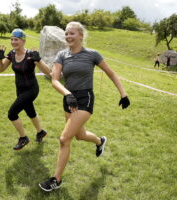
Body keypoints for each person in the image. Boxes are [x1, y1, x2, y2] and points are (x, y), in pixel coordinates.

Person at [39, 22, 130, 192]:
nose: (68, 36)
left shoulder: (92, 55)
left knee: (64, 138)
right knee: (79, 135)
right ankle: (99, 141)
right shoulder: (62, 55)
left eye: (72, 33)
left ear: (81, 35)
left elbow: (111, 73)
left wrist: (123, 94)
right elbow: (55, 80)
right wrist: (67, 94)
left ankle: (56, 180)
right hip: (69, 98)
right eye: (66, 33)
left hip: (85, 99)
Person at [0, 28, 51, 150]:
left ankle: (23, 138)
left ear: (23, 41)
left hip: (31, 90)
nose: (13, 42)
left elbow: (49, 73)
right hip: (20, 90)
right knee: (30, 112)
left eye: (16, 39)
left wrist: (39, 60)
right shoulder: (11, 54)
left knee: (12, 113)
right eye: (11, 39)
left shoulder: (31, 55)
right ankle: (40, 132)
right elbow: (0, 69)